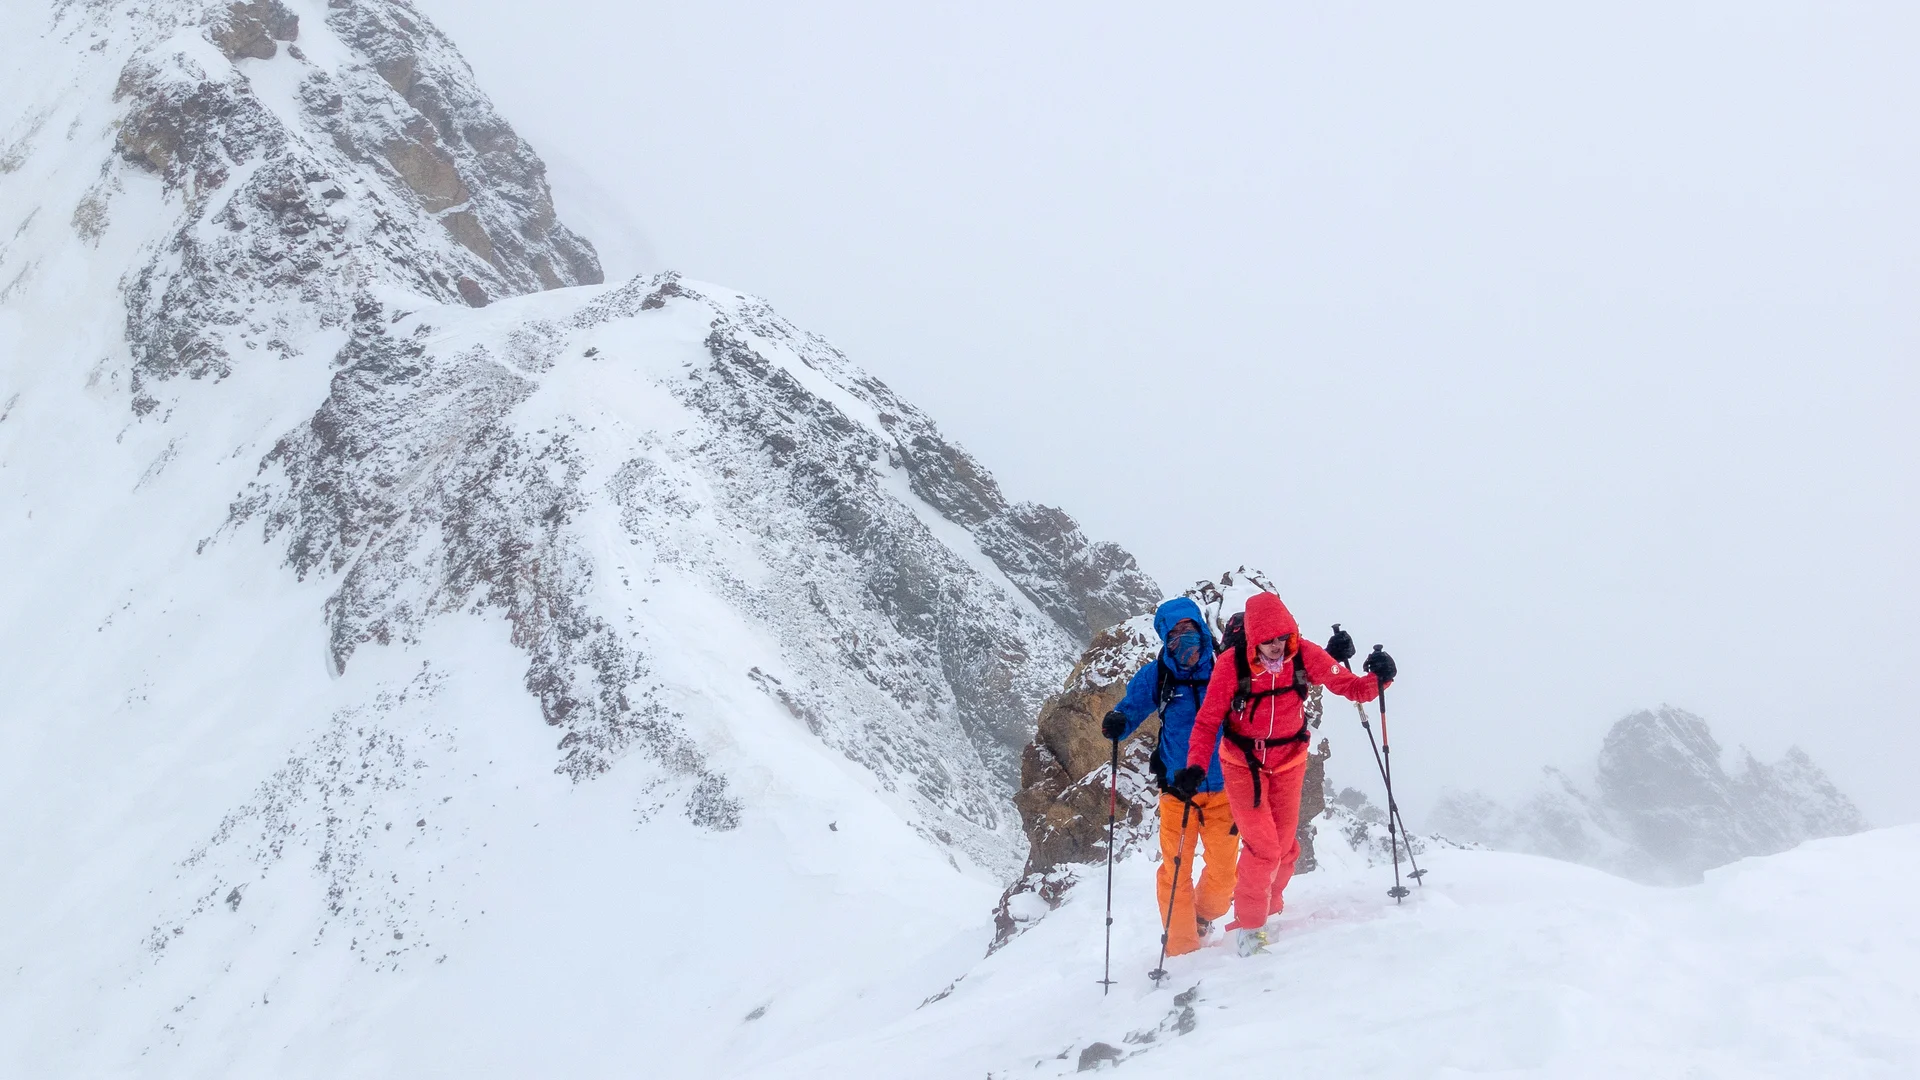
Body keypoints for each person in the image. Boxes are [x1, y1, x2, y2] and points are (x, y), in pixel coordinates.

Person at [1173, 591, 1385, 956]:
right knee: (1264, 849)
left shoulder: (1303, 654)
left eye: (1282, 638)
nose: (1276, 646)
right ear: (1254, 638)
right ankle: (1250, 929)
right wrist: (1195, 765)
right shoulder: (1231, 665)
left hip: (1289, 762)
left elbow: (1350, 687)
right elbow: (1208, 722)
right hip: (1242, 766)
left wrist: (1381, 677)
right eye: (1268, 640)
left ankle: (1269, 910)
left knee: (1285, 849)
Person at [1101, 597, 1237, 957]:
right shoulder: (1158, 675)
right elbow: (1131, 708)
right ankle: (1182, 950)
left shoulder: (1225, 667)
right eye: (1174, 633)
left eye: (1188, 628)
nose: (1183, 638)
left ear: (1201, 629)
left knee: (1225, 876)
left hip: (1225, 789)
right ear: (1165, 638)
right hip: (1177, 791)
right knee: (1176, 871)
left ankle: (1203, 916)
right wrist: (1118, 722)